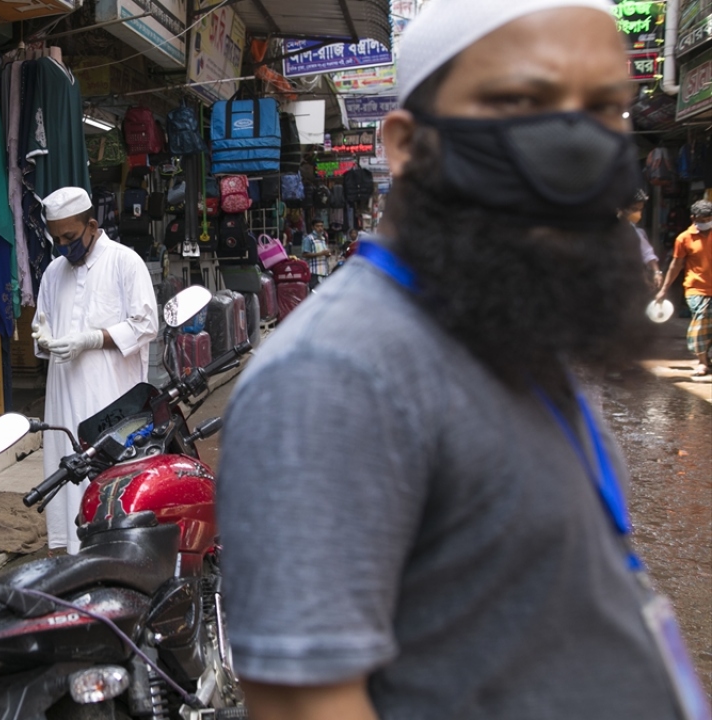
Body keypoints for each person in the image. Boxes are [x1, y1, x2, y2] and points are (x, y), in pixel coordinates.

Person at [217, 2, 702, 719]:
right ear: (407, 144)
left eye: (604, 106)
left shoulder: (511, 324)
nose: (574, 136)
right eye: (521, 99)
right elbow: (306, 703)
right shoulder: (333, 376)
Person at [32, 187, 157, 555]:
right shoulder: (53, 272)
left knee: (110, 476)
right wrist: (44, 339)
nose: (63, 246)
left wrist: (91, 339)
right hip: (63, 394)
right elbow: (43, 327)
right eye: (56, 239)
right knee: (68, 469)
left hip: (111, 397)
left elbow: (146, 325)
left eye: (69, 237)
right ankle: (75, 554)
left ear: (91, 225)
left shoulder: (124, 262)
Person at [656, 200, 712, 378]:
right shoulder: (684, 238)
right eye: (702, 220)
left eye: (708, 219)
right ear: (693, 218)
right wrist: (664, 289)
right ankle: (702, 362)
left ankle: (707, 357)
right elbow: (676, 265)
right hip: (696, 288)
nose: (706, 222)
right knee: (702, 320)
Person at [624, 190, 663, 288]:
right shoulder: (604, 230)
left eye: (640, 210)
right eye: (634, 209)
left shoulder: (636, 232)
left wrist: (656, 272)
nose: (638, 213)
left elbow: (647, 253)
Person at [301, 220, 332, 289]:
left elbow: (324, 253)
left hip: (324, 271)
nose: (320, 228)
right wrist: (321, 253)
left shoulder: (322, 239)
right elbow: (305, 254)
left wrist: (327, 254)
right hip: (314, 272)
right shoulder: (308, 239)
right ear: (313, 227)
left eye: (321, 226)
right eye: (317, 226)